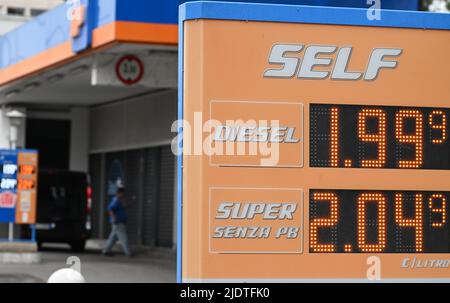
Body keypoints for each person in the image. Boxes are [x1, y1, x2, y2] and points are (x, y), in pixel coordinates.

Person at [102, 187, 131, 257]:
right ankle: (128, 253)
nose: (124, 194)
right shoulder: (116, 200)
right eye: (123, 193)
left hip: (118, 222)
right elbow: (110, 209)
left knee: (113, 238)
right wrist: (114, 218)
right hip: (118, 222)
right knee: (123, 238)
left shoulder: (119, 200)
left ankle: (106, 251)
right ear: (119, 193)